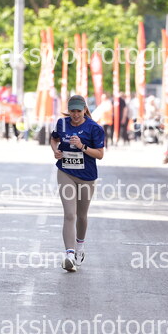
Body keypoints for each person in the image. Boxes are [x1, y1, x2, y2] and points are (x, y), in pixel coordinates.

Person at [50, 95, 105, 272]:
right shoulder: (62, 123)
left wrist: (82, 146)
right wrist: (56, 151)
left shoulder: (94, 128)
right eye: (72, 111)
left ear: (84, 110)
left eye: (78, 111)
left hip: (87, 176)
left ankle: (79, 247)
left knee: (81, 215)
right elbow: (54, 139)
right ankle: (69, 254)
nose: (75, 115)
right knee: (69, 214)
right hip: (65, 172)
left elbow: (100, 154)